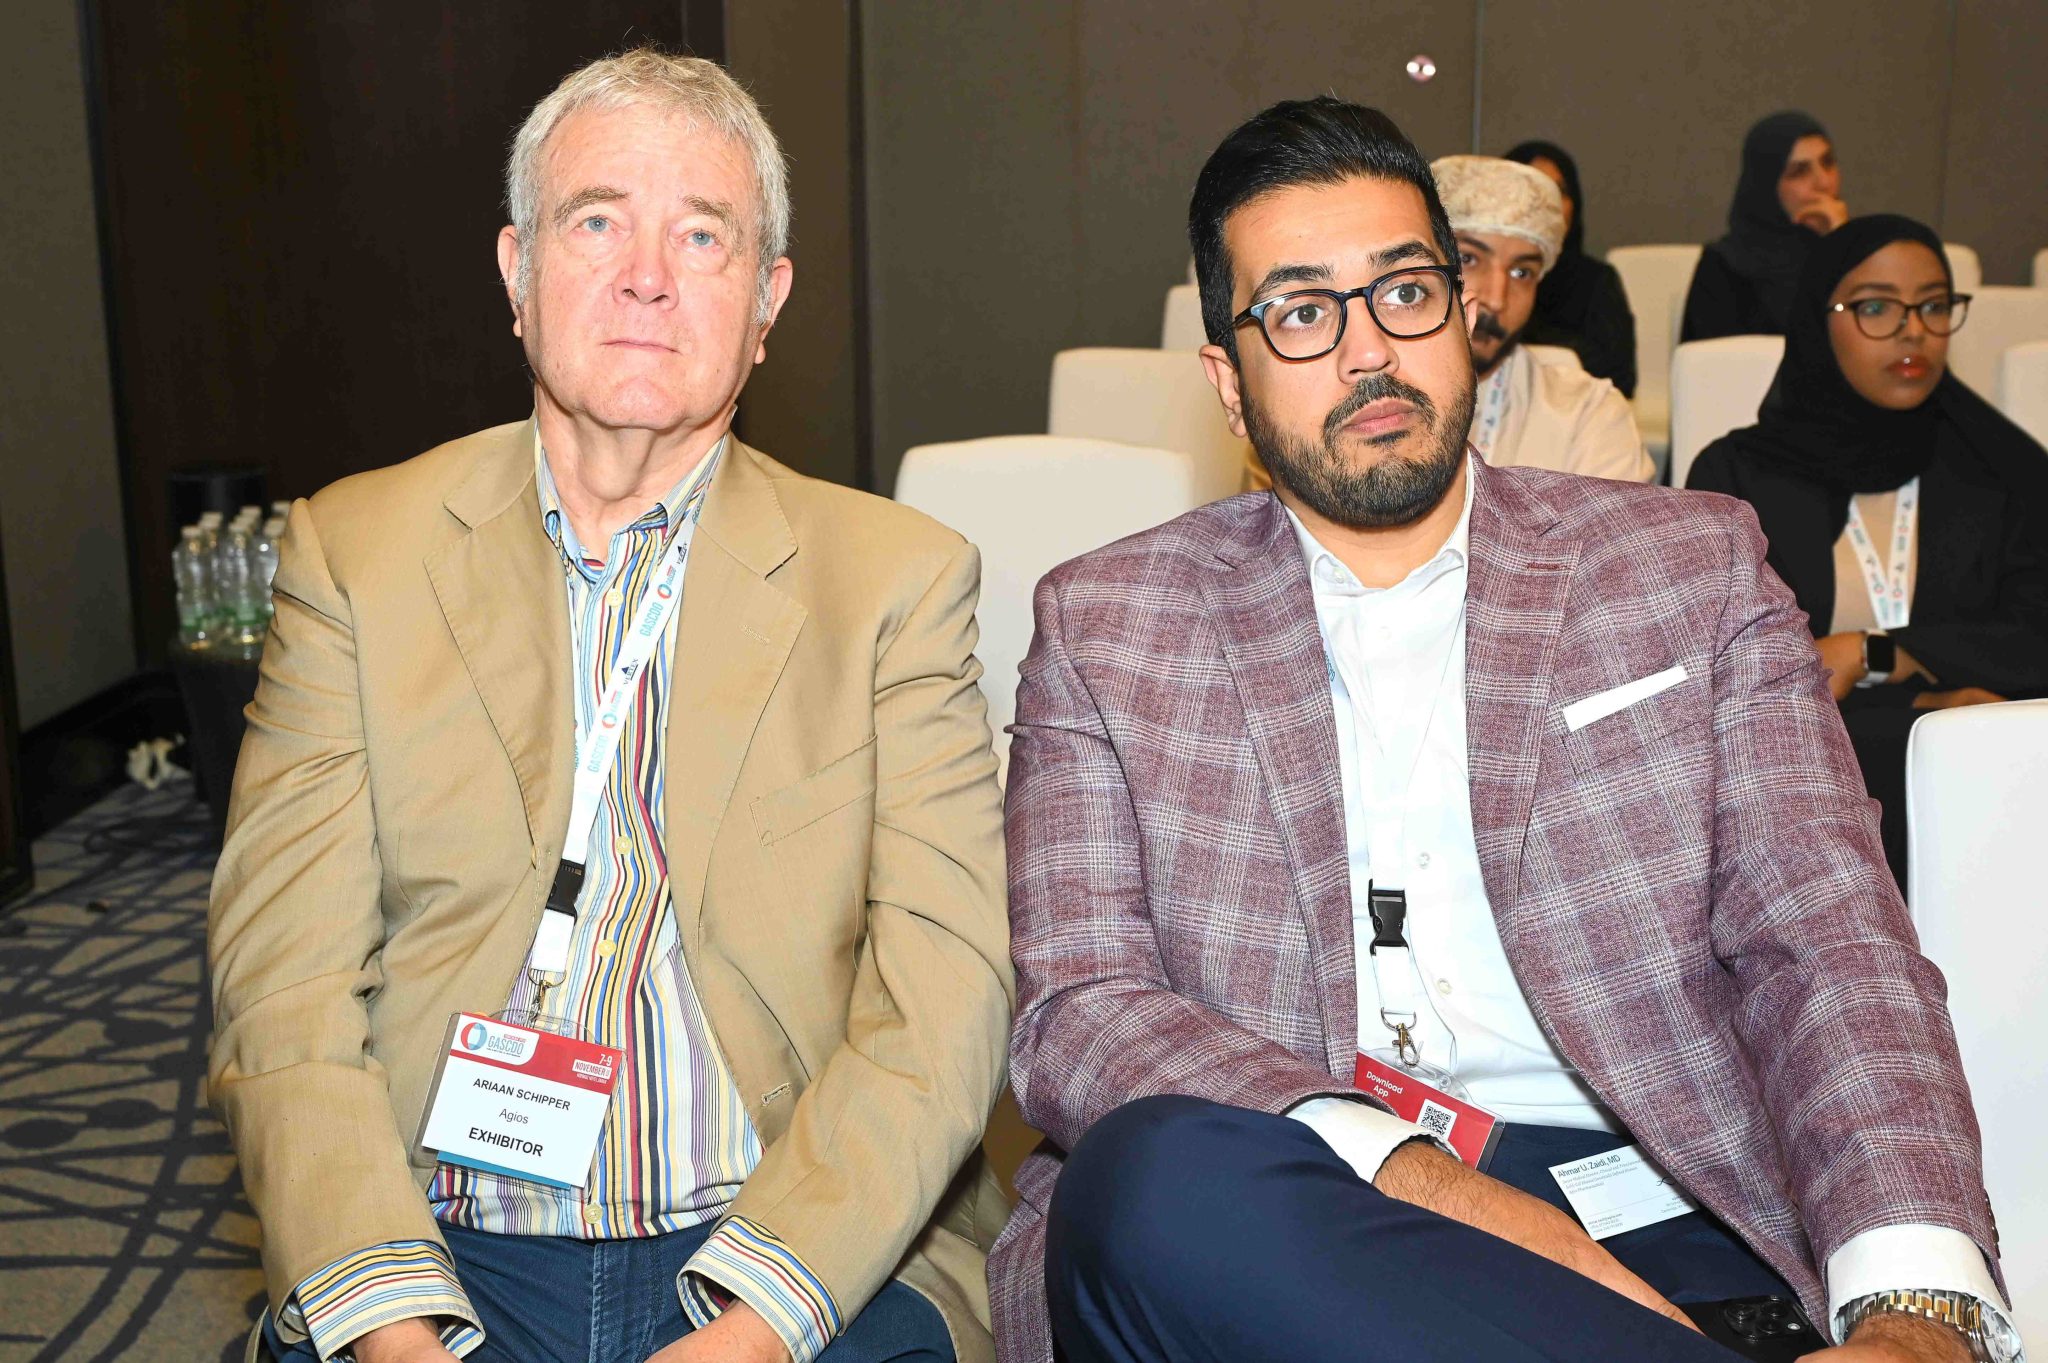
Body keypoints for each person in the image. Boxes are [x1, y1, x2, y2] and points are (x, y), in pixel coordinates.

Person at [989, 97, 2018, 1363]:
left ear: (1463, 318)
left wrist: (1912, 1315)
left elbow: (1824, 940)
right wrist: (1423, 1178)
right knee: (1150, 1181)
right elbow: (1081, 1007)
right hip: (1303, 1206)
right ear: (1228, 383)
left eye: (1403, 293)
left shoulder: (1679, 566)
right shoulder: (1109, 623)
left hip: (1666, 1201)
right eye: (1301, 313)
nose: (1368, 352)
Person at [208, 50, 1013, 1363]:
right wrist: (392, 1328)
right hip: (440, 1234)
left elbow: (944, 996)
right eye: (597, 222)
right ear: (517, 273)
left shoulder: (891, 582)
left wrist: (756, 1329)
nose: (648, 274)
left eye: (702, 234)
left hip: (787, 1235)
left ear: (766, 301)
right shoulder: (358, 554)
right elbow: (283, 981)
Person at [1689, 214, 2048, 885]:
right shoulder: (1734, 477)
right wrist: (1923, 712)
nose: (1913, 330)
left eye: (1933, 305)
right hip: (1791, 806)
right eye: (1876, 307)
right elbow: (1731, 680)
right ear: (1816, 320)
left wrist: (1870, 651)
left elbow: (2032, 636)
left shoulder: (2001, 471)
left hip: (1983, 808)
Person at [1244, 154, 1650, 490]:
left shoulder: (1588, 414)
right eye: (1470, 259)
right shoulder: (1336, 407)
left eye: (1522, 272)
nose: (1496, 298)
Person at [1682, 111, 1848, 341]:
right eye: (1799, 172)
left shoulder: (1854, 253)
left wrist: (1842, 243)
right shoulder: (1725, 267)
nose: (1824, 182)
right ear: (1766, 185)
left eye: (1827, 163)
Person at [1504, 139, 1638, 396]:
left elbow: (1620, 378)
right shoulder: (1476, 278)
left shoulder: (1598, 281)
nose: (1549, 202)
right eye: (1534, 187)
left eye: (1560, 191)